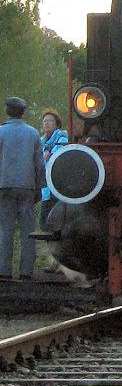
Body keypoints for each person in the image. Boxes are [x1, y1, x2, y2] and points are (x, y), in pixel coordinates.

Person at [0, 97, 45, 280]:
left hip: (4, 185)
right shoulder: (33, 133)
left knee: (5, 229)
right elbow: (39, 164)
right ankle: (26, 271)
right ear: (23, 112)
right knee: (28, 230)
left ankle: (4, 271)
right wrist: (40, 187)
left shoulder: (1, 132)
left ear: (7, 111)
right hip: (27, 186)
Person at [38, 109, 69, 228]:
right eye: (45, 121)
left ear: (56, 123)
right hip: (44, 183)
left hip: (57, 181)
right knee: (43, 221)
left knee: (53, 217)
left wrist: (47, 156)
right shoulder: (41, 141)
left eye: (50, 120)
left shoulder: (62, 138)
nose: (47, 123)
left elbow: (58, 157)